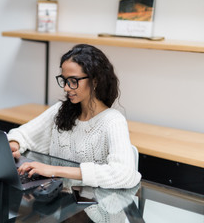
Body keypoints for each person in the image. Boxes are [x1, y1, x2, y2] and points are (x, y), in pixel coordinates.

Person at [7, 44, 141, 189]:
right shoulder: (61, 110)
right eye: (64, 80)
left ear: (95, 81)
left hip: (96, 205)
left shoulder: (113, 121)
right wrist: (15, 143)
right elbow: (23, 134)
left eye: (73, 81)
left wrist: (54, 170)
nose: (66, 88)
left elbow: (124, 174)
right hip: (60, 201)